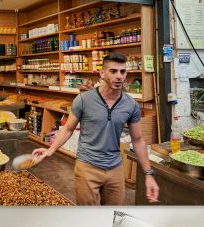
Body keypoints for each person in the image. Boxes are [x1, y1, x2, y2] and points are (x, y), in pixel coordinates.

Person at [32, 53, 159, 204]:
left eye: (122, 71)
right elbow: (68, 129)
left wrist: (148, 174)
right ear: (102, 73)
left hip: (115, 168)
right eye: (113, 71)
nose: (119, 76)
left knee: (113, 217)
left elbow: (138, 140)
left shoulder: (130, 105)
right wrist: (50, 150)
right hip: (87, 167)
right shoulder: (83, 100)